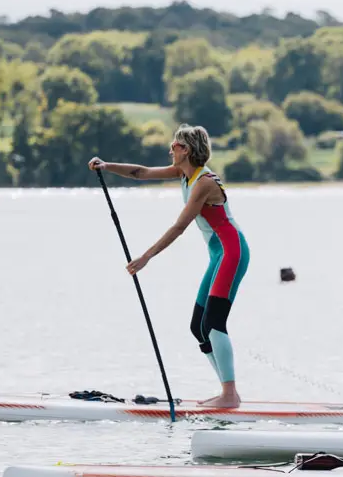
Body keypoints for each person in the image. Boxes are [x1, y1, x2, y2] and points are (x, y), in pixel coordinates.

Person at [88, 124, 250, 409]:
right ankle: (228, 392)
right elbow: (141, 172)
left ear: (185, 150)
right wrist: (107, 166)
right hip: (218, 255)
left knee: (213, 323)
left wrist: (146, 256)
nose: (170, 149)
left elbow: (179, 227)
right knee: (197, 328)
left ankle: (229, 394)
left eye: (174, 145)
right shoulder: (184, 174)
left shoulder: (204, 182)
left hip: (232, 252)